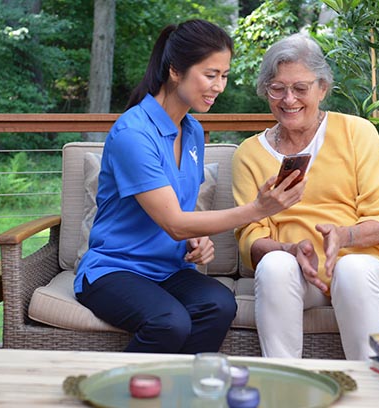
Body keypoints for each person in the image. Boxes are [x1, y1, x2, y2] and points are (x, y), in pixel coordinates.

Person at [74, 20, 305, 354]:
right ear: (175, 71)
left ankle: (182, 389)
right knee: (169, 321)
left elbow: (181, 212)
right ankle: (120, 392)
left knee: (220, 303)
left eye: (224, 76)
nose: (219, 86)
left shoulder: (192, 131)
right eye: (210, 75)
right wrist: (257, 210)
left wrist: (198, 239)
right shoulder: (134, 134)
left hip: (168, 269)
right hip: (114, 269)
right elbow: (174, 222)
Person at [232, 33, 379, 360]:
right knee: (275, 265)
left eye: (300, 88)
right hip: (302, 274)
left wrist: (344, 235)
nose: (289, 99)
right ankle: (286, 384)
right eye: (278, 88)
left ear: (322, 89)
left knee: (352, 271)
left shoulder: (356, 132)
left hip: (369, 264)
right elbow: (250, 236)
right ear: (266, 91)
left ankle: (370, 389)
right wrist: (288, 249)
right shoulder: (249, 154)